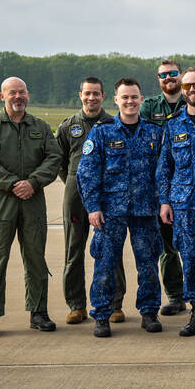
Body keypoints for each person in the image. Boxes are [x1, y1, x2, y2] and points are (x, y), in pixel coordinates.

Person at [0, 76, 62, 337]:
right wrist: (13, 184)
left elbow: (54, 157)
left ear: (28, 95)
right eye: (12, 93)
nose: (18, 97)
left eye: (22, 92)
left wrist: (33, 182)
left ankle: (38, 312)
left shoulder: (41, 127)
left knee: (36, 259)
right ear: (2, 96)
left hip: (33, 202)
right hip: (0, 203)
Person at [76, 78, 166, 337]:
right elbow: (87, 172)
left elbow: (162, 170)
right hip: (110, 210)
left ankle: (149, 312)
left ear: (141, 99)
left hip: (145, 210)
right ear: (116, 100)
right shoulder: (102, 131)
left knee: (148, 264)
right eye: (124, 97)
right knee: (105, 264)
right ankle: (102, 314)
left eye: (134, 97)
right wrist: (92, 207)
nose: (130, 102)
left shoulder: (153, 131)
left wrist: (162, 202)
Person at [56, 77, 125, 325]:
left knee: (110, 252)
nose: (91, 98)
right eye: (87, 93)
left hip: (107, 195)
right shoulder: (68, 127)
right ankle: (76, 305)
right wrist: (77, 186)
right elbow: (60, 163)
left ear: (103, 96)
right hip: (75, 196)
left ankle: (114, 304)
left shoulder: (113, 124)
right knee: (73, 250)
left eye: (96, 93)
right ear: (80, 95)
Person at [156, 68, 195, 337]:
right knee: (190, 261)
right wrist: (165, 201)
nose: (192, 90)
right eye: (187, 86)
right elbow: (164, 167)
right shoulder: (173, 123)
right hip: (184, 205)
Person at [138, 58, 186, 317]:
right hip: (161, 187)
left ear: (180, 75)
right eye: (163, 75)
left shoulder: (190, 100)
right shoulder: (149, 106)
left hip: (188, 183)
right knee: (167, 247)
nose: (168, 78)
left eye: (173, 73)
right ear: (158, 80)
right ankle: (176, 297)